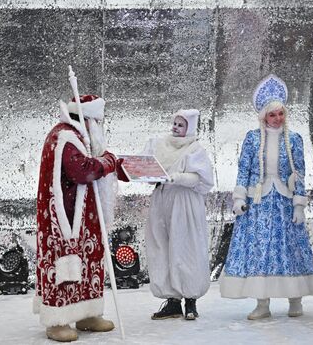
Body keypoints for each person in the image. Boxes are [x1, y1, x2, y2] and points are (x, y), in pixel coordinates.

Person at [220, 75, 313, 319]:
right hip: (259, 202)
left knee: (289, 249)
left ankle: (295, 299)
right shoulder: (252, 138)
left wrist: (299, 204)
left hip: (284, 203)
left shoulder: (294, 139)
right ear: (264, 116)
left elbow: (299, 172)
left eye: (281, 114)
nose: (277, 119)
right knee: (260, 250)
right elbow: (244, 169)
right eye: (272, 115)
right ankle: (262, 303)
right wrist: (239, 197)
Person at [34, 94, 128, 342]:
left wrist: (118, 165)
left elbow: (95, 162)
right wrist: (107, 162)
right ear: (89, 120)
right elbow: (81, 170)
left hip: (85, 216)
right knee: (65, 265)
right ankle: (57, 320)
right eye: (98, 122)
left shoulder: (78, 136)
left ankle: (87, 313)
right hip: (63, 219)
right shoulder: (64, 137)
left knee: (89, 262)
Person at [143, 109, 214, 321]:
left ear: (189, 128)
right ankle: (172, 301)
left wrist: (178, 177)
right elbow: (149, 169)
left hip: (184, 202)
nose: (175, 127)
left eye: (181, 125)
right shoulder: (160, 145)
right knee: (162, 247)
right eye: (174, 123)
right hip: (162, 200)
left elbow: (202, 180)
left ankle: (190, 300)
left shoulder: (194, 149)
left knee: (185, 247)